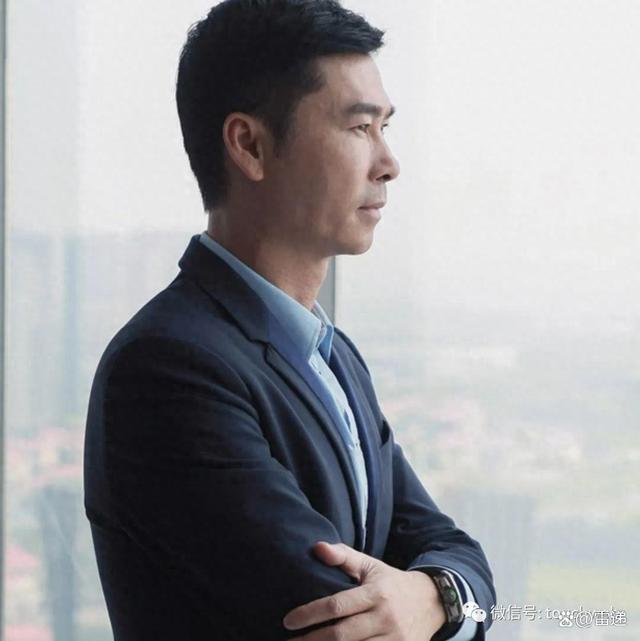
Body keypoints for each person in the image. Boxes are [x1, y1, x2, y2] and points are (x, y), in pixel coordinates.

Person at [84, 1, 497, 639]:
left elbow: (452, 549)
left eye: (385, 127)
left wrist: (436, 595)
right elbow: (340, 618)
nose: (388, 162)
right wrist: (433, 600)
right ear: (250, 145)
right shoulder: (168, 369)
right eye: (360, 127)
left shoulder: (333, 357)